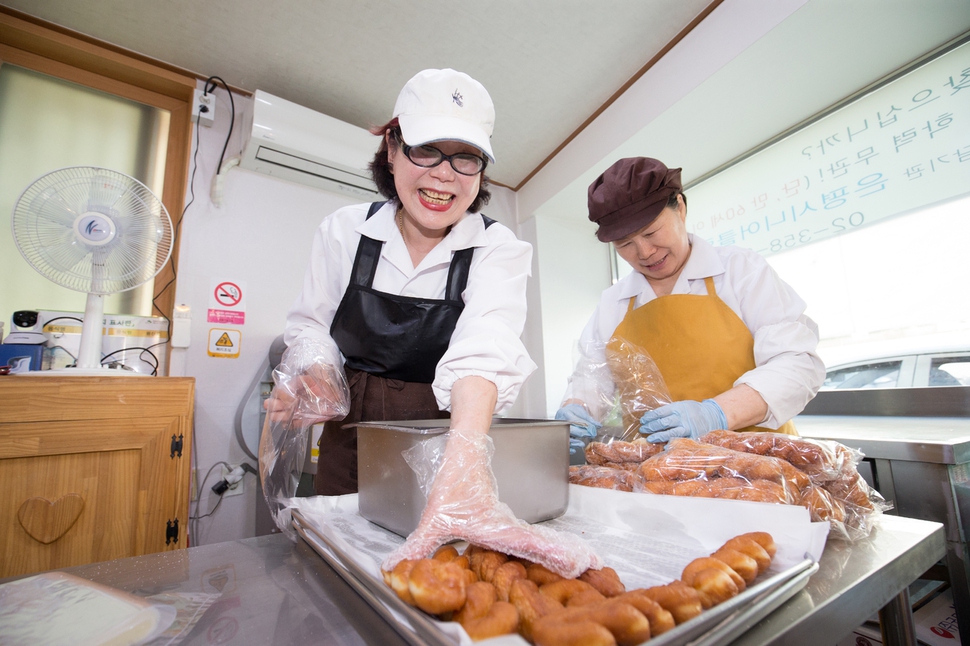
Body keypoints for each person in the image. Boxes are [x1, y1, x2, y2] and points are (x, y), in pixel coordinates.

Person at [265, 68, 601, 577]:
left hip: (444, 441)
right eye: (426, 150)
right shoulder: (344, 232)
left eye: (466, 157)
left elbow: (486, 342)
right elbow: (311, 325)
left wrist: (464, 455)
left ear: (482, 171)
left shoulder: (497, 249)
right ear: (393, 150)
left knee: (442, 575)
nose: (445, 175)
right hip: (350, 434)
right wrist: (316, 371)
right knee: (339, 569)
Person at [557, 157, 825, 449]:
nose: (645, 252)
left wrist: (717, 413)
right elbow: (591, 376)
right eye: (624, 244)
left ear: (680, 208)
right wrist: (578, 409)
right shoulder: (614, 302)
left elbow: (797, 363)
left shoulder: (741, 271)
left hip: (759, 461)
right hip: (658, 471)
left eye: (651, 232)